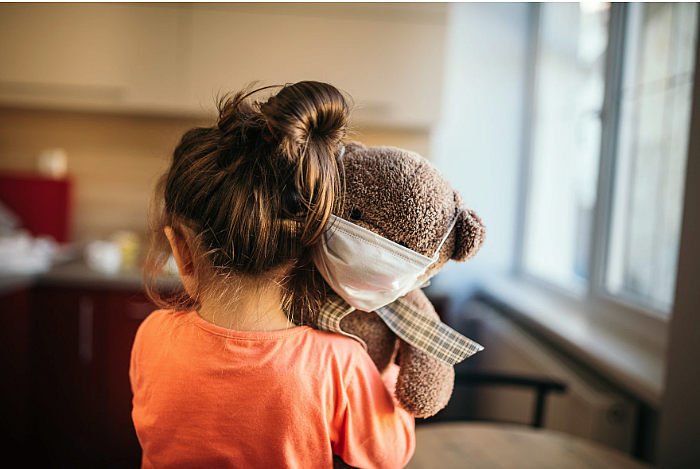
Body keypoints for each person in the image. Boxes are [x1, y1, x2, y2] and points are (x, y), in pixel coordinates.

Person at [130, 81, 416, 469]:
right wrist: (392, 366)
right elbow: (390, 454)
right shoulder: (339, 364)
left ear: (181, 250)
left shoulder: (151, 336)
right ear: (308, 248)